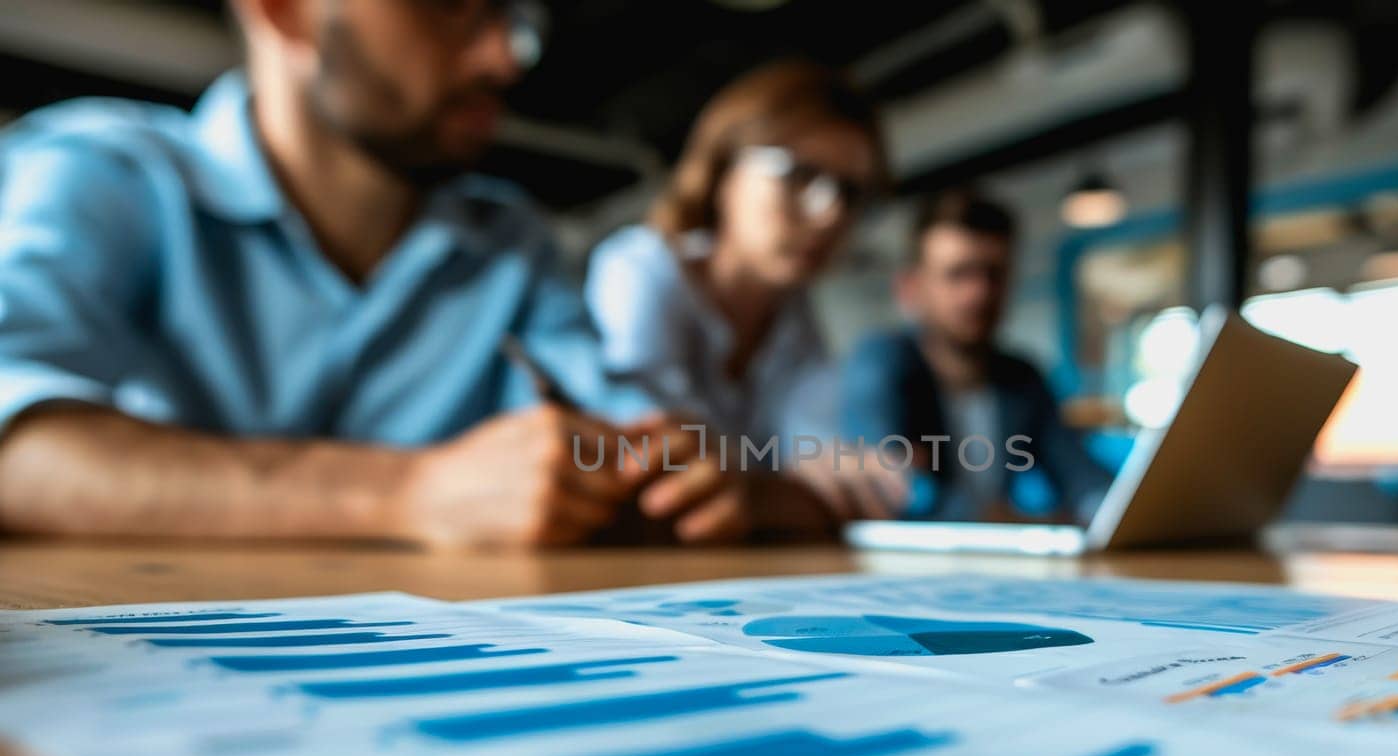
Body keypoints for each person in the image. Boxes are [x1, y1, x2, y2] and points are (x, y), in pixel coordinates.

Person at [0, 0, 707, 549]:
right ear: (285, 11)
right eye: (451, 8)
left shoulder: (513, 244)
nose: (504, 58)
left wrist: (680, 474)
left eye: (509, 17)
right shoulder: (109, 177)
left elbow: (623, 436)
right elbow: (17, 453)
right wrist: (412, 493)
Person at [583, 61, 903, 533]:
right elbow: (656, 479)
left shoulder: (796, 318)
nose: (829, 213)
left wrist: (777, 490)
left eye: (851, 193)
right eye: (799, 174)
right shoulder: (639, 269)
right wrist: (780, 492)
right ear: (723, 170)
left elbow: (828, 480)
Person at [841, 189, 1112, 523]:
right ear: (911, 288)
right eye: (958, 274)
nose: (979, 293)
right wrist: (1001, 522)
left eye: (993, 275)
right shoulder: (883, 361)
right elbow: (892, 485)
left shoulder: (1023, 377)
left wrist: (1108, 508)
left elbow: (1080, 473)